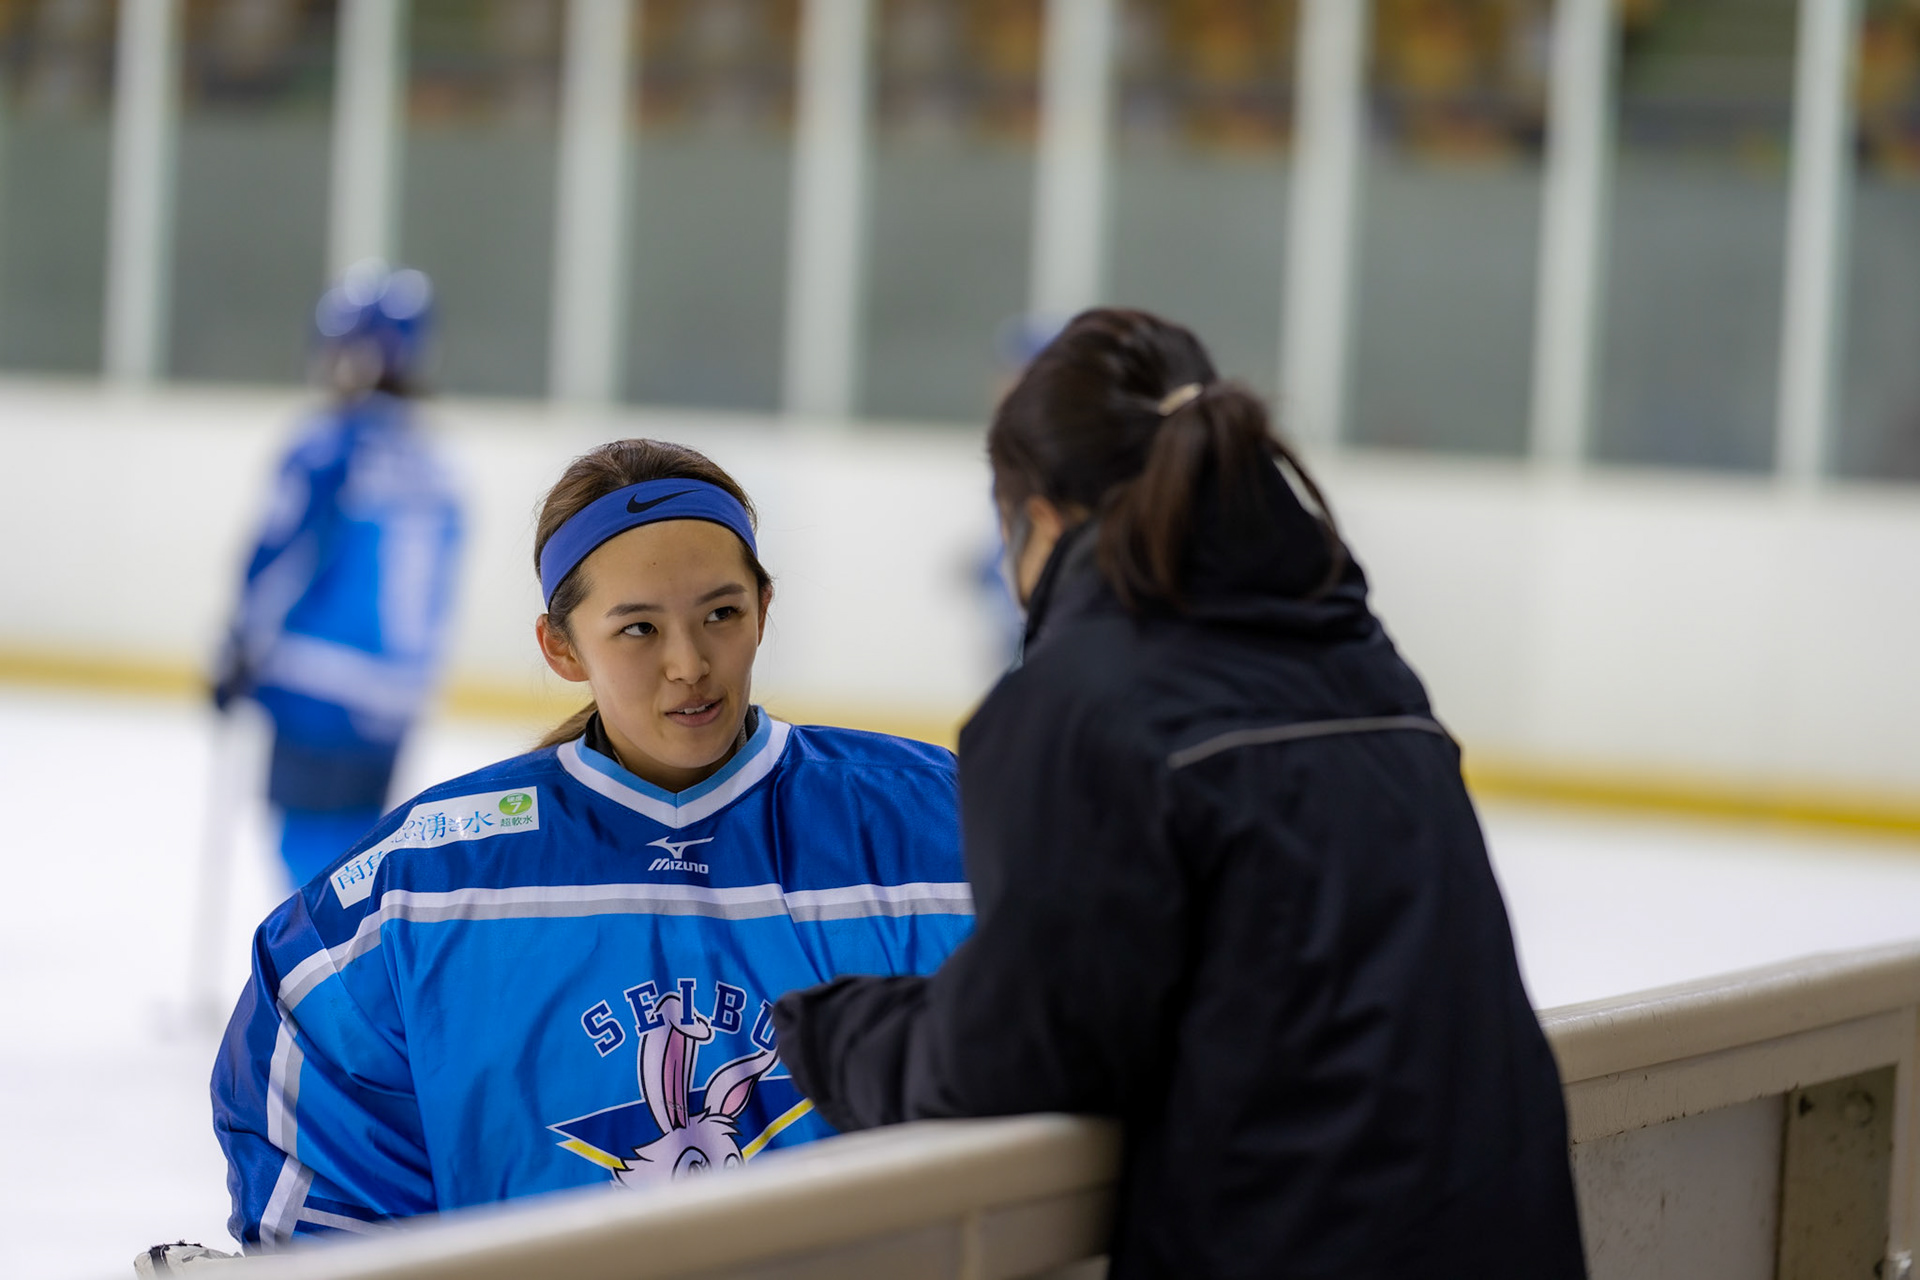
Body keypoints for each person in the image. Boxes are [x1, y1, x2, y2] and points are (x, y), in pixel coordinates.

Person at [773, 309, 1587, 1279]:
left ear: (1039, 519)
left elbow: (1023, 1050)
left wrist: (840, 1032)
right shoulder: (1367, 667)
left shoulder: (1079, 706)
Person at [210, 438, 972, 1250]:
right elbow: (321, 1184)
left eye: (721, 614)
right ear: (561, 647)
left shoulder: (940, 830)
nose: (689, 664)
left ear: (763, 607)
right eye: (639, 629)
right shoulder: (415, 891)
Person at [212, 260, 464, 887]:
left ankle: (316, 955)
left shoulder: (330, 449)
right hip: (396, 702)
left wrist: (239, 645)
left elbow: (281, 555)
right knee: (357, 862)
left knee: (306, 862)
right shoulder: (437, 464)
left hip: (316, 691)